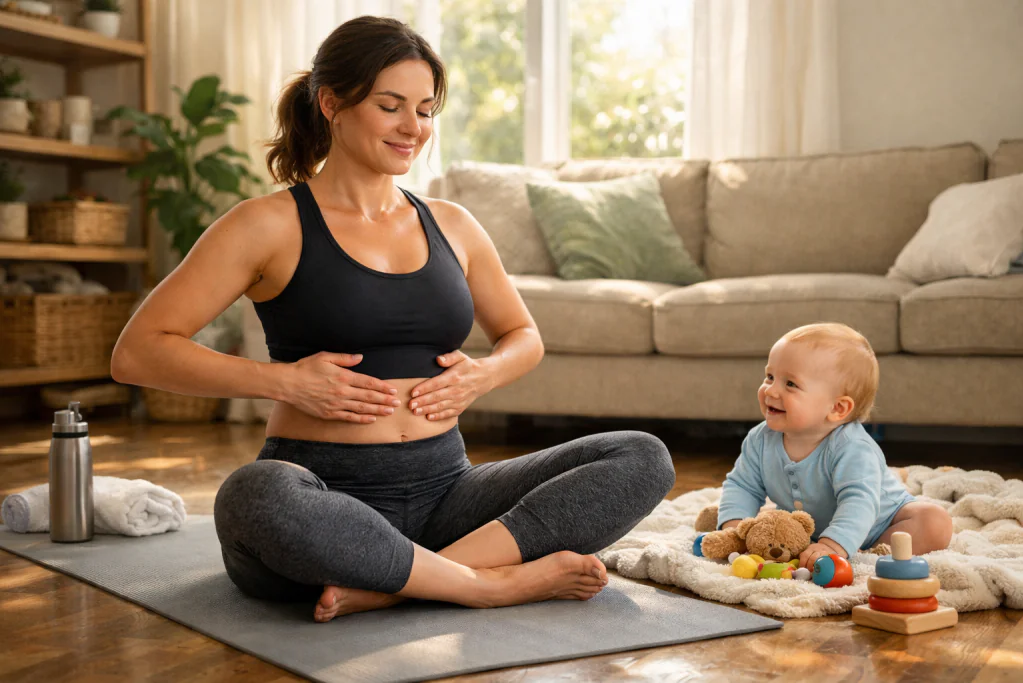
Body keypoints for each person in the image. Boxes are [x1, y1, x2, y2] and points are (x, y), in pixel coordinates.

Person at [111, 15, 675, 623]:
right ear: (332, 103)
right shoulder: (266, 224)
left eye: (426, 110)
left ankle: (397, 584)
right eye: (391, 106)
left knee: (640, 456)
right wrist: (286, 382)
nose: (414, 127)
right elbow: (138, 351)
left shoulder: (453, 224)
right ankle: (483, 585)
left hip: (447, 495)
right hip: (323, 500)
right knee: (253, 495)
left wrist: (483, 375)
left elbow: (524, 337)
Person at [715, 323, 953, 570]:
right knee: (763, 521)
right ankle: (821, 549)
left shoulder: (852, 448)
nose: (771, 391)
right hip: (809, 531)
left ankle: (866, 555)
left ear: (837, 408)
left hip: (882, 523)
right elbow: (742, 485)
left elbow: (859, 502)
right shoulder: (760, 439)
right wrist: (734, 529)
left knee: (934, 521)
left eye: (791, 384)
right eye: (770, 377)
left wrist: (832, 545)